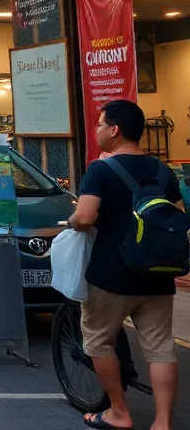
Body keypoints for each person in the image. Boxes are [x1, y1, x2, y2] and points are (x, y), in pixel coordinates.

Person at [69, 100, 184, 430]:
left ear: (114, 130)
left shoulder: (100, 169)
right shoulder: (162, 170)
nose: (97, 130)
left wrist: (74, 220)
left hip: (111, 276)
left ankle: (119, 412)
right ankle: (163, 422)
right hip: (157, 273)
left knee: (98, 341)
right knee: (160, 349)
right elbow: (177, 216)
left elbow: (86, 217)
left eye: (100, 124)